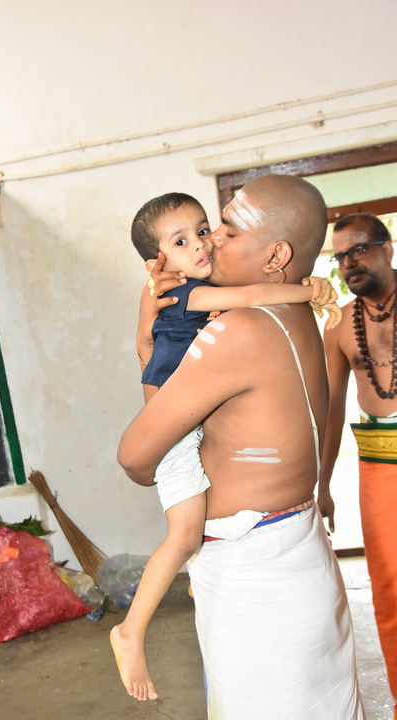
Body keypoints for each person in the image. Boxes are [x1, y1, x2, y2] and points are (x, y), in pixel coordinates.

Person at [118, 175, 366, 719]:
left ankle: (129, 630)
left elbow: (138, 457)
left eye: (224, 231)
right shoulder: (296, 313)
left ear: (276, 255)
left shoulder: (239, 330)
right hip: (299, 556)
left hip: (258, 584)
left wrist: (144, 346)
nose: (210, 242)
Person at [317, 213, 397, 715]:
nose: (349, 263)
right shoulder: (339, 326)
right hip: (379, 469)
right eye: (341, 256)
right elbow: (330, 410)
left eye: (359, 250)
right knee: (389, 588)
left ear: (387, 247)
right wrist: (322, 484)